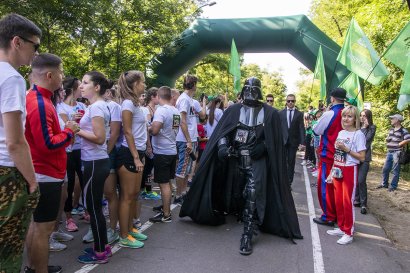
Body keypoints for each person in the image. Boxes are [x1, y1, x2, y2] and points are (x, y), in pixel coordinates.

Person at [180, 77, 302, 256]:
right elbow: (224, 132)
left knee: (253, 191)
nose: (250, 93)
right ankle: (235, 212)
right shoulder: (234, 110)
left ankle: (248, 232)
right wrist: (222, 146)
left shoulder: (270, 113)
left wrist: (264, 147)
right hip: (235, 159)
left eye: (254, 90)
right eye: (248, 89)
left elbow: (276, 141)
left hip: (257, 160)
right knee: (236, 191)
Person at [24, 53, 78, 273]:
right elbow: (47, 143)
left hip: (42, 172)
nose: (62, 77)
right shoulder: (39, 102)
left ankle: (35, 267)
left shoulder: (39, 98)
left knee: (36, 227)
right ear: (49, 75)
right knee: (43, 229)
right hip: (45, 173)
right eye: (61, 72)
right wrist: (69, 131)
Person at [0, 13, 42, 273]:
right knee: (8, 248)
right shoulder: (12, 78)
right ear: (17, 41)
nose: (35, 54)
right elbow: (15, 141)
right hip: (8, 173)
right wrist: (32, 182)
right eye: (34, 46)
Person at [76, 71, 112, 264]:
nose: (81, 86)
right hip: (96, 161)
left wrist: (76, 129)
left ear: (96, 87)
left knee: (93, 207)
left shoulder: (97, 107)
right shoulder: (97, 106)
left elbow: (99, 139)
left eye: (85, 82)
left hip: (95, 162)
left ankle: (99, 253)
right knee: (95, 206)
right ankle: (104, 246)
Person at [116, 70, 148, 249]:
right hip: (129, 154)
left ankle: (129, 229)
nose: (144, 85)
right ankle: (123, 235)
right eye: (142, 82)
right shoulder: (127, 104)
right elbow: (127, 131)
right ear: (135, 84)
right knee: (127, 197)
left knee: (134, 194)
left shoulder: (134, 104)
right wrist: (136, 157)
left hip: (138, 153)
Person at [326, 106, 366, 245]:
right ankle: (342, 227)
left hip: (349, 169)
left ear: (355, 119)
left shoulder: (359, 134)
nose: (346, 119)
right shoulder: (341, 133)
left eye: (349, 116)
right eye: (344, 116)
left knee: (347, 201)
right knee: (338, 200)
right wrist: (332, 171)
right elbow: (337, 154)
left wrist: (347, 149)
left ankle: (349, 232)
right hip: (338, 168)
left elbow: (362, 157)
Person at [312, 88, 346, 226]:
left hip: (329, 155)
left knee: (326, 187)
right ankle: (338, 215)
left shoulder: (330, 113)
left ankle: (329, 216)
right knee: (339, 188)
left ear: (332, 98)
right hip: (343, 156)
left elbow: (316, 130)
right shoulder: (349, 112)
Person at [57, 76, 86, 232]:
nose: (82, 89)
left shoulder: (82, 105)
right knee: (68, 185)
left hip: (82, 149)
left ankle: (85, 210)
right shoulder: (61, 107)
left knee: (84, 181)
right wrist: (71, 119)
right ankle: (68, 218)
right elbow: (66, 129)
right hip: (68, 150)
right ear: (72, 90)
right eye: (79, 86)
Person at [148, 86, 180, 223]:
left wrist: (147, 127)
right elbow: (175, 129)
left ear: (159, 96)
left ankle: (166, 214)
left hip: (162, 151)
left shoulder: (161, 110)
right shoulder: (175, 110)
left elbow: (154, 130)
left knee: (163, 184)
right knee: (167, 182)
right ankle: (165, 206)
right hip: (172, 149)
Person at [174, 75, 205, 205]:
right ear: (193, 85)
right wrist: (188, 140)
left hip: (192, 138)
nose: (197, 87)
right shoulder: (184, 100)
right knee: (182, 167)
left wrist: (203, 103)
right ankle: (178, 195)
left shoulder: (192, 100)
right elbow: (182, 121)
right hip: (185, 139)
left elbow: (203, 116)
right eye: (196, 84)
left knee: (187, 168)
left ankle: (183, 192)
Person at [377, 114, 410, 192]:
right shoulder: (391, 129)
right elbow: (389, 138)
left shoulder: (403, 130)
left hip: (397, 152)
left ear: (397, 120)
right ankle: (384, 184)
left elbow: (408, 139)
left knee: (395, 170)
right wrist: (387, 139)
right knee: (385, 169)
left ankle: (393, 186)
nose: (391, 120)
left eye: (392, 119)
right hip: (389, 152)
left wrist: (399, 144)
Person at [279, 94, 305, 186]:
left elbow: (301, 128)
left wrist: (302, 143)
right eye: (289, 101)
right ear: (286, 101)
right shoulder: (280, 113)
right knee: (282, 162)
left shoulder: (299, 114)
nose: (290, 103)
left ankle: (289, 182)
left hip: (293, 142)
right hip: (282, 141)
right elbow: (278, 128)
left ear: (295, 102)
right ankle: (282, 181)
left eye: (292, 101)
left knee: (291, 162)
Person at [354, 109, 376, 214]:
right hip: (355, 157)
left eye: (365, 116)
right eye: (361, 115)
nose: (362, 118)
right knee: (355, 180)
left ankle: (363, 204)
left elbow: (367, 139)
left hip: (365, 158)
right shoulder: (357, 127)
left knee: (361, 180)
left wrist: (367, 127)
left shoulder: (372, 128)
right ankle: (356, 199)